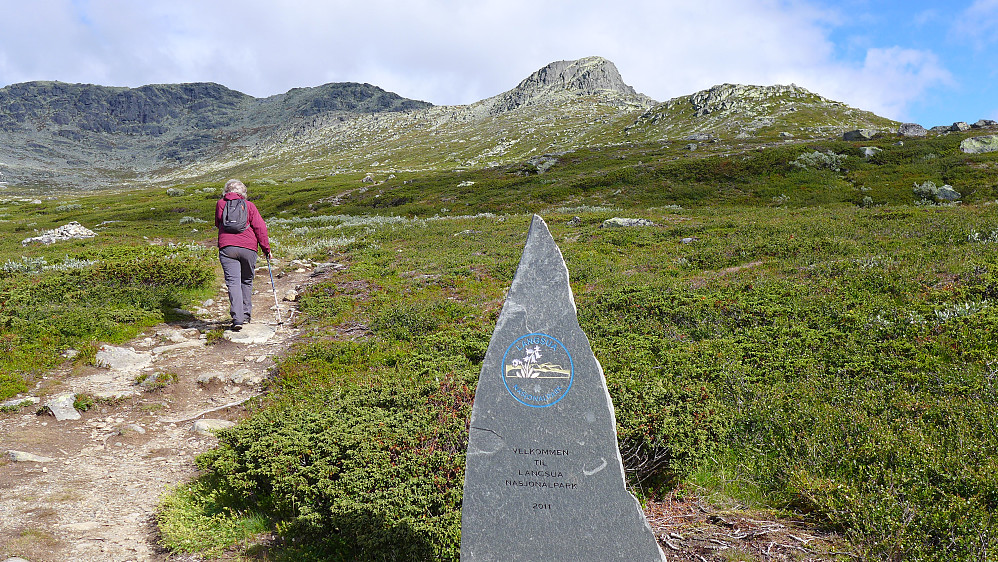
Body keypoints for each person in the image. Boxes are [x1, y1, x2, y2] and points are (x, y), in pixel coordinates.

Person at [215, 179, 271, 331]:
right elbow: (260, 227)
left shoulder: (221, 204)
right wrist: (266, 249)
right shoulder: (249, 206)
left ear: (226, 191)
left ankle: (237, 318)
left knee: (233, 282)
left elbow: (218, 223)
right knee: (246, 281)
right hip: (248, 248)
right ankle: (246, 315)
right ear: (243, 193)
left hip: (227, 248)